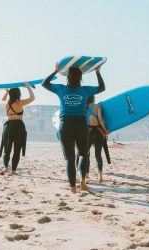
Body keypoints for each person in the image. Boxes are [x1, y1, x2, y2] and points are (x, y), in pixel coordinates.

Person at [43, 64, 105, 193]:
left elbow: (45, 83)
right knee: (83, 153)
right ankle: (82, 182)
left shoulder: (61, 89)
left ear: (67, 78)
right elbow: (102, 88)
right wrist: (97, 72)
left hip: (65, 125)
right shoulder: (85, 90)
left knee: (69, 158)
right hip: (80, 124)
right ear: (80, 78)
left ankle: (72, 187)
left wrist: (55, 71)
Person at [0, 83, 35, 175]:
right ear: (18, 94)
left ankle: (6, 168)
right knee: (17, 149)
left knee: (7, 149)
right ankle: (13, 170)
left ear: (11, 94)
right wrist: (28, 88)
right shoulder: (19, 103)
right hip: (18, 126)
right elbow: (32, 98)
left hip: (8, 126)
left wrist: (7, 92)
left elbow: (2, 100)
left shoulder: (6, 104)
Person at [85, 96, 109, 183]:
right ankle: (100, 176)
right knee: (98, 154)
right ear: (93, 98)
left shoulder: (84, 107)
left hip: (88, 132)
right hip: (99, 132)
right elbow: (101, 120)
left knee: (85, 153)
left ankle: (86, 174)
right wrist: (105, 130)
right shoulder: (98, 106)